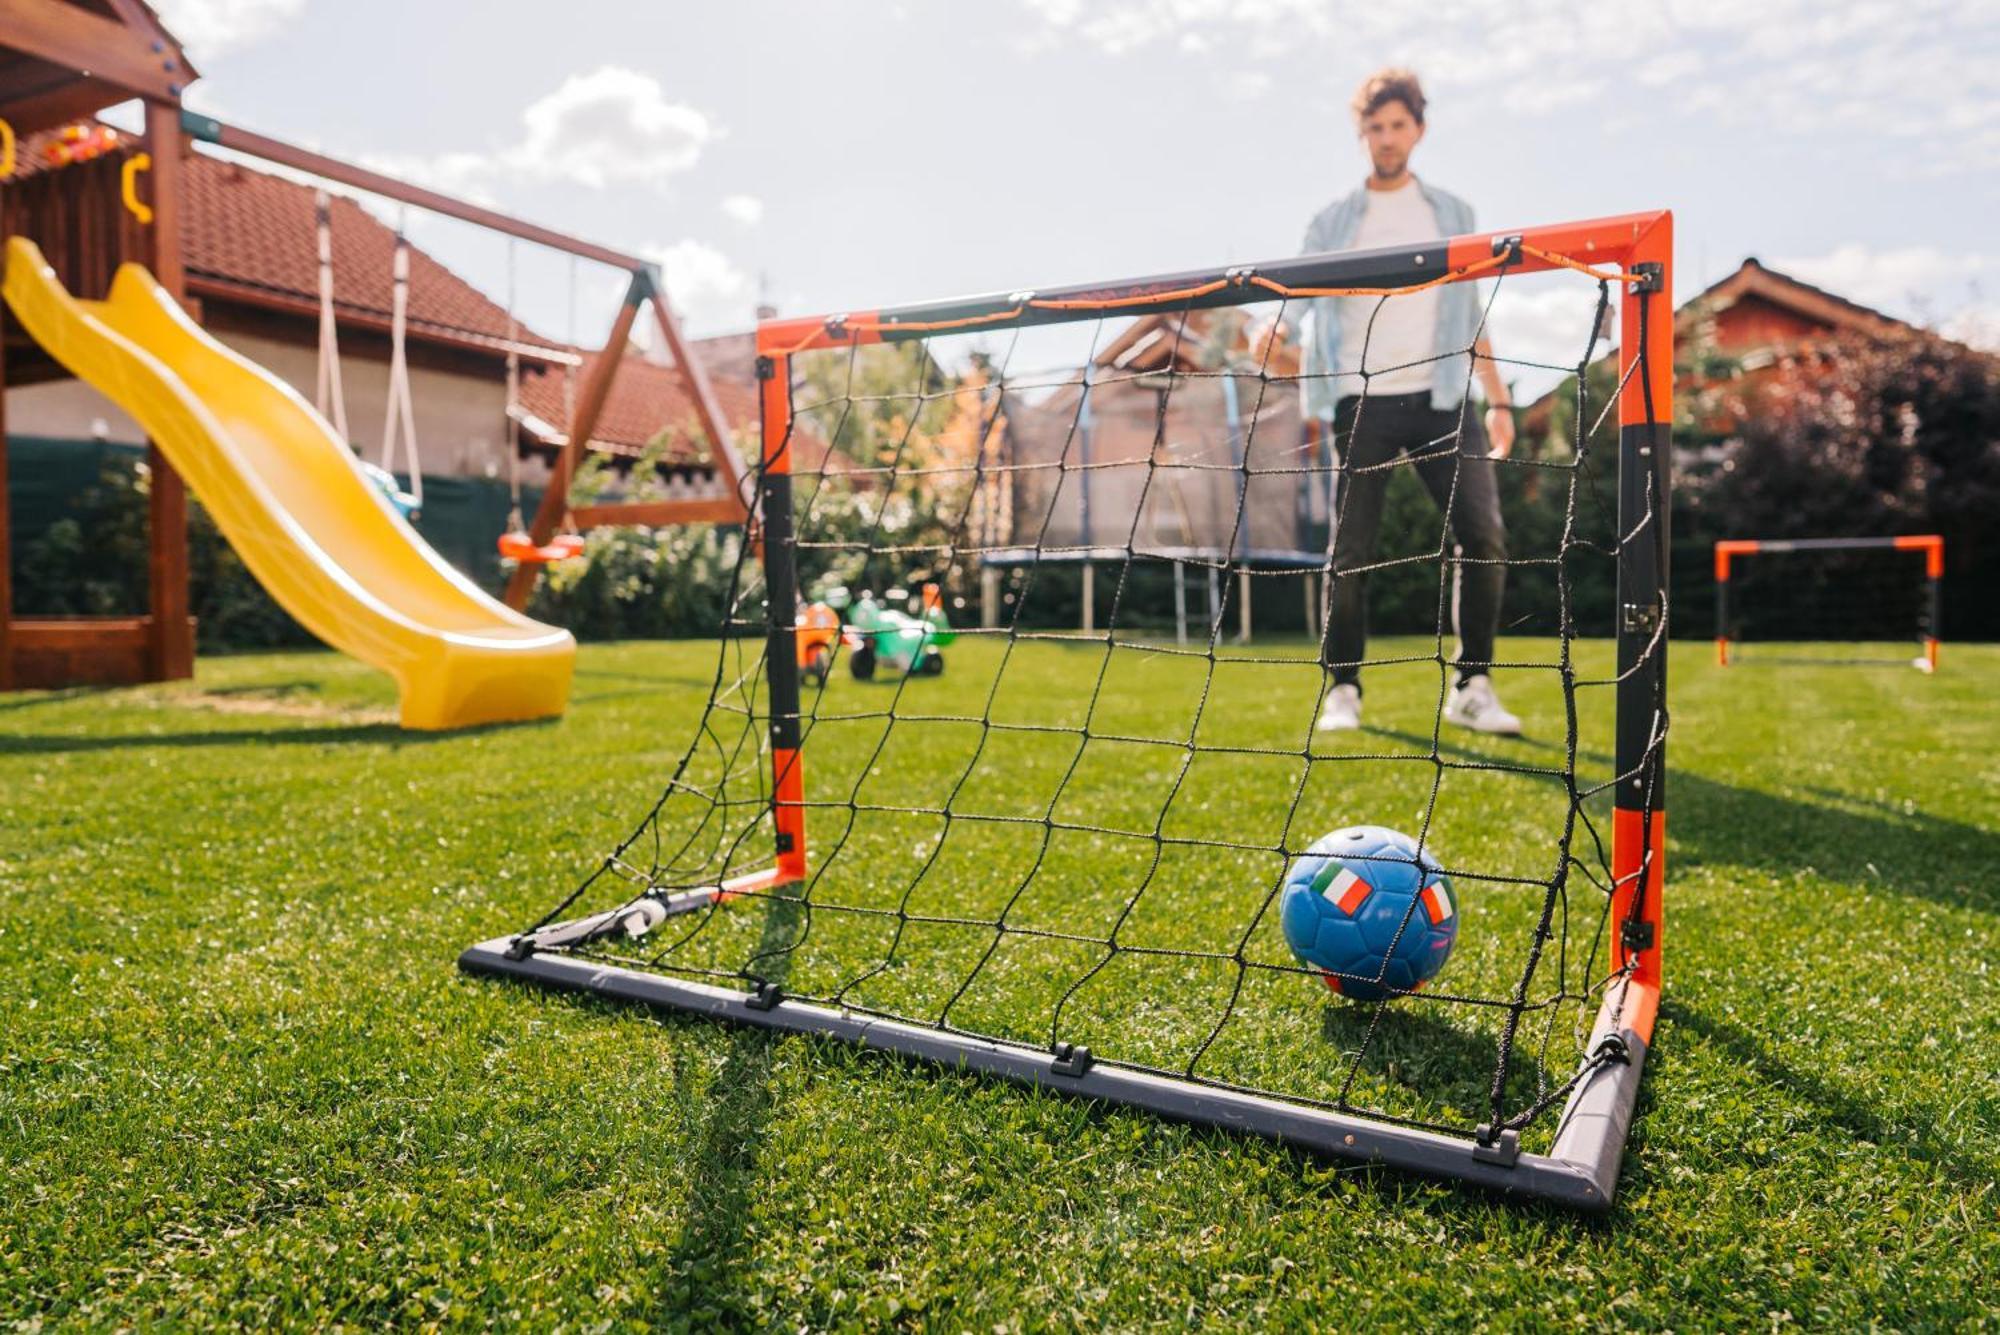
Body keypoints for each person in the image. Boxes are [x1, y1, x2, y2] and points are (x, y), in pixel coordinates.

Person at [1262, 68, 1522, 735]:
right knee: (1350, 552)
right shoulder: (1333, 221)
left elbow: (1471, 314)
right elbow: (1296, 294)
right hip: (1361, 400)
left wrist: (1499, 402)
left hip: (1442, 398)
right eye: (1374, 127)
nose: (1386, 137)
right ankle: (1343, 689)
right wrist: (1277, 335)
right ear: (1362, 135)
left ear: (1419, 130)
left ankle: (1473, 686)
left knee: (1485, 534)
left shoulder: (1452, 214)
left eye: (1397, 125)